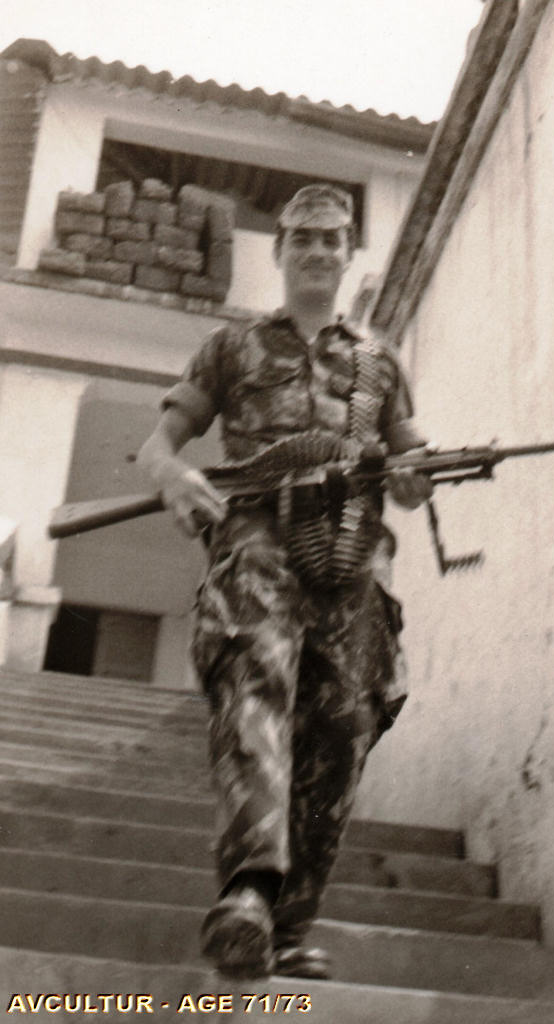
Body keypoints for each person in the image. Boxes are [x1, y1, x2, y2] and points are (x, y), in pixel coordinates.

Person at [137, 183, 431, 980]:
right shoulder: (232, 348)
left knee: (342, 726)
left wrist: (415, 476)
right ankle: (248, 891)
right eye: (302, 236)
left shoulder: (378, 363)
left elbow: (413, 462)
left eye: (332, 238)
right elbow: (159, 447)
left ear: (349, 254)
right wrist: (173, 478)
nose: (317, 251)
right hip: (259, 545)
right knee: (258, 684)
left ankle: (289, 926)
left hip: (350, 561)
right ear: (279, 251)